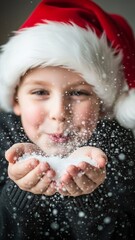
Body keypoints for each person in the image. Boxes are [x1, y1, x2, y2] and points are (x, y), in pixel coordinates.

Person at [0, 0, 135, 239]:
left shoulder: (119, 146)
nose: (59, 112)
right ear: (16, 101)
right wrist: (20, 190)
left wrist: (88, 197)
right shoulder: (2, 137)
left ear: (101, 105)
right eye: (40, 92)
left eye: (78, 93)